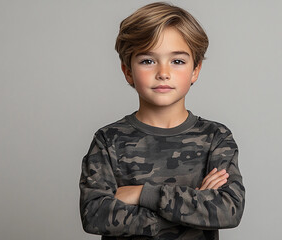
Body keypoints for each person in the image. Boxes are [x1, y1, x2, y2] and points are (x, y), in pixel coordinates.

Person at [79, 2, 245, 239]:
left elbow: (229, 210)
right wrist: (194, 209)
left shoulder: (216, 138)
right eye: (148, 60)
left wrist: (141, 195)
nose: (163, 72)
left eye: (177, 61)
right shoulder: (108, 140)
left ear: (195, 70)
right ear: (128, 71)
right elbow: (95, 214)